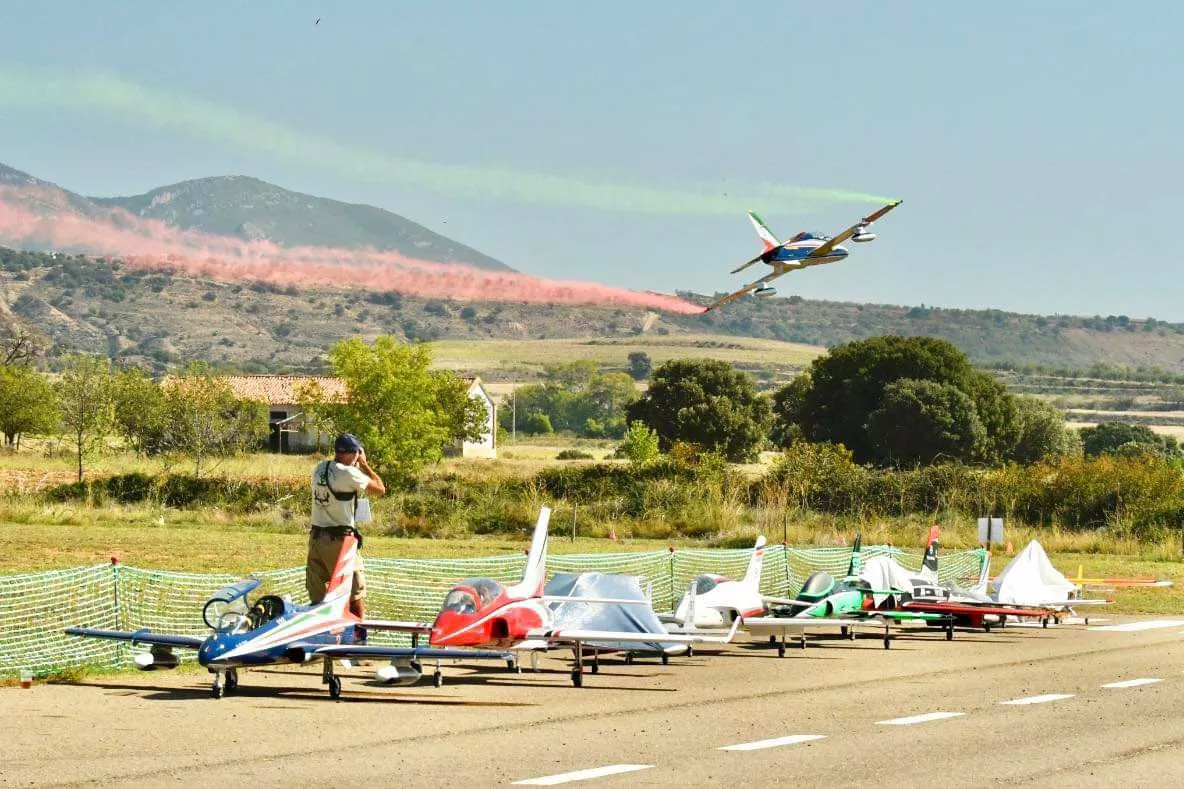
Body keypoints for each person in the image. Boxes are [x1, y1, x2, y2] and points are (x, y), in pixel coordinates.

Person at [308, 433, 386, 640]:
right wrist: (365, 465)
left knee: (318, 595)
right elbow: (380, 489)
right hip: (340, 542)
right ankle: (359, 641)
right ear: (352, 453)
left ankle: (319, 637)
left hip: (316, 539)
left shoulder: (319, 468)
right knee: (355, 591)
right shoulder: (349, 473)